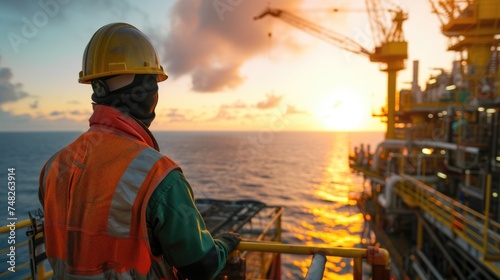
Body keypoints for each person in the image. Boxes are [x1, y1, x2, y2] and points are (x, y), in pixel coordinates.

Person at [38, 22, 241, 280]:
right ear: (145, 92)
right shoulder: (158, 176)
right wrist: (224, 244)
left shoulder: (54, 166)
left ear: (96, 88)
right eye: (153, 84)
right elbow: (201, 266)